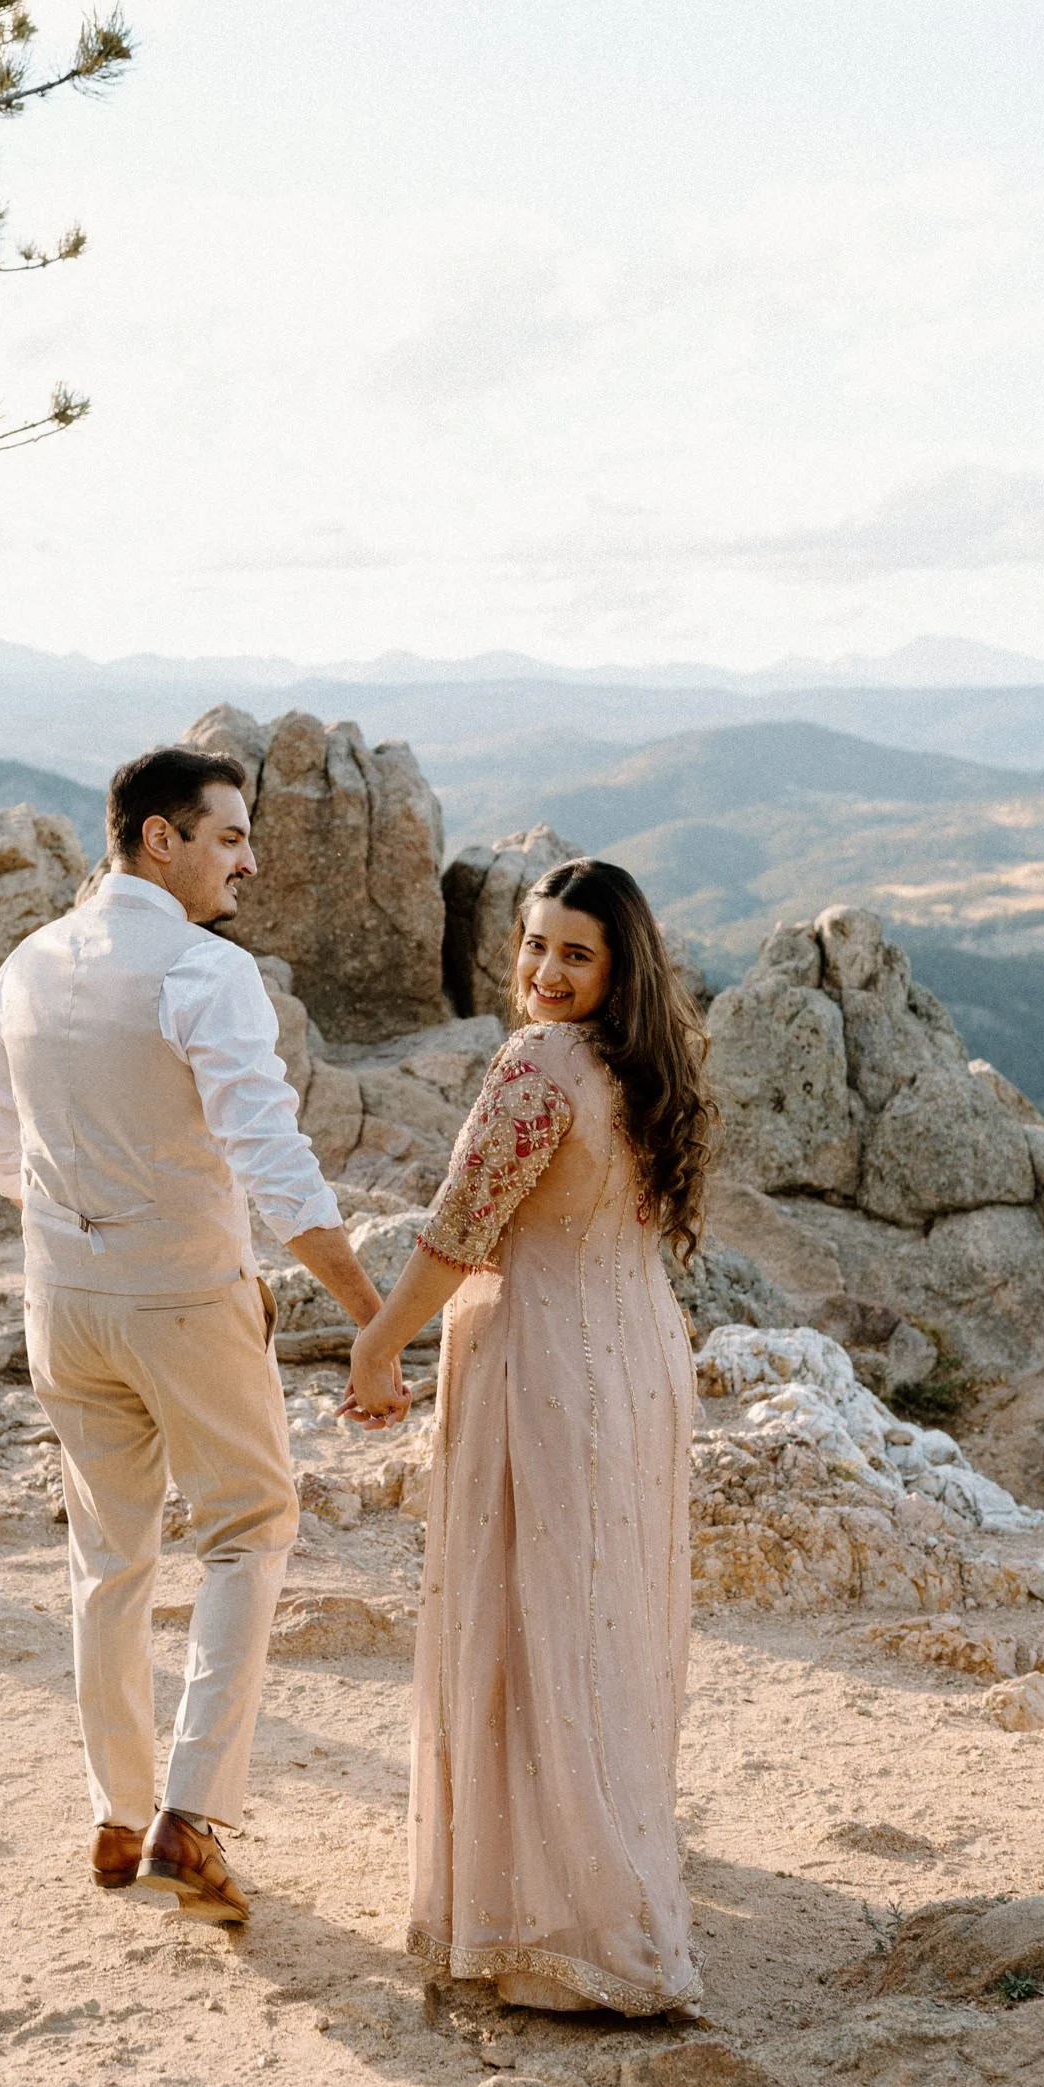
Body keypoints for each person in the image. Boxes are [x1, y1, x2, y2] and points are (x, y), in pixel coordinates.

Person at [0, 745, 397, 1924]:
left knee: (107, 1557)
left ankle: (116, 1812)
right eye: (228, 836)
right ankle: (190, 1818)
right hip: (186, 1298)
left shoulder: (26, 964)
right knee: (251, 1530)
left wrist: (83, 1228)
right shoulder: (204, 974)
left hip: (62, 1299)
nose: (246, 860)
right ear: (160, 837)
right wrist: (374, 1317)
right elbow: (274, 1167)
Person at [342, 857, 712, 2015]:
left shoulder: (537, 1065)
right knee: (601, 1612)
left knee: (531, 1613)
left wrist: (374, 1345)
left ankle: (550, 1911)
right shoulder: (646, 1068)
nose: (543, 972)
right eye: (532, 945)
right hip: (637, 1357)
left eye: (574, 953)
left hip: (544, 1361)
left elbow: (460, 1229)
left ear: (617, 966)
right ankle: (603, 1878)